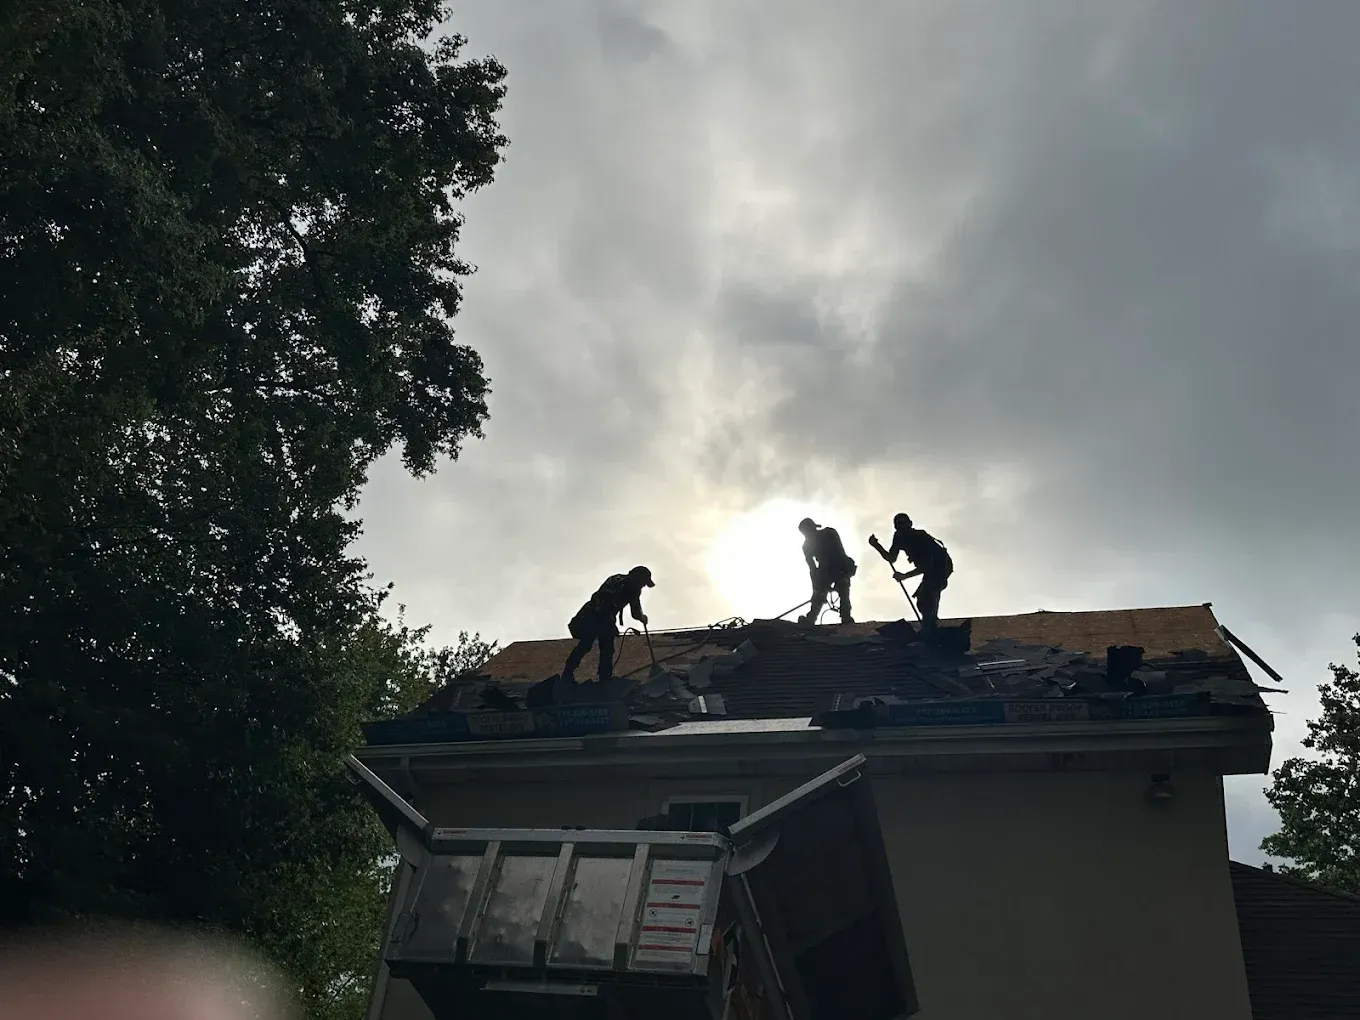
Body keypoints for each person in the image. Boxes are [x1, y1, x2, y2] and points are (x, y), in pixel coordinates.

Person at [561, 565, 654, 683]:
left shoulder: (626, 585)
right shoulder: (621, 583)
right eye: (643, 583)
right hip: (592, 616)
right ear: (637, 579)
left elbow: (635, 611)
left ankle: (604, 677)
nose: (643, 586)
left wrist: (641, 617)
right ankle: (569, 672)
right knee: (588, 644)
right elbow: (605, 603)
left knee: (606, 648)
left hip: (602, 619)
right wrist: (612, 623)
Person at [869, 513, 954, 631]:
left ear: (910, 524)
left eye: (903, 524)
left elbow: (927, 566)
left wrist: (904, 576)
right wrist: (876, 546)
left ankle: (930, 625)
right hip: (929, 569)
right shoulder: (898, 537)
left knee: (928, 593)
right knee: (922, 600)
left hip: (941, 565)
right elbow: (891, 558)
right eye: (898, 525)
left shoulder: (920, 537)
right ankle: (929, 624)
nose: (901, 527)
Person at [797, 518, 855, 624]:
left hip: (840, 565)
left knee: (843, 587)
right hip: (825, 571)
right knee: (819, 594)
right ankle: (812, 617)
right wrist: (817, 589)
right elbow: (812, 568)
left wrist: (843, 574)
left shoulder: (829, 533)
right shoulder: (806, 546)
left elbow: (840, 552)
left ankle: (845, 615)